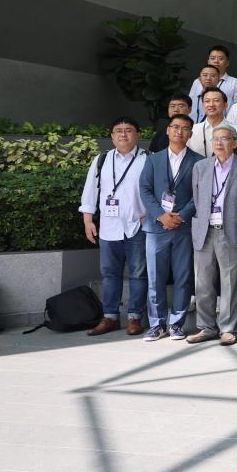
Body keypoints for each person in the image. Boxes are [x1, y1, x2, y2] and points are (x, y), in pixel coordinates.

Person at [79, 117, 148, 336]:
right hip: (109, 227)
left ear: (137, 135)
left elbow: (156, 190)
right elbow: (90, 190)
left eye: (129, 130)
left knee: (138, 274)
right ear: (112, 136)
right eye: (118, 130)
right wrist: (88, 220)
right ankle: (110, 317)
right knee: (109, 274)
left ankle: (135, 317)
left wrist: (150, 215)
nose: (123, 134)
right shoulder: (102, 159)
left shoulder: (148, 159)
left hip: (138, 226)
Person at [137, 114, 203, 341]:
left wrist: (182, 216)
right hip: (157, 227)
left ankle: (176, 323)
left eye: (184, 128)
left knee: (183, 277)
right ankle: (157, 324)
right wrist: (161, 215)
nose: (179, 132)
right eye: (175, 127)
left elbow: (200, 194)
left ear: (190, 134)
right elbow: (145, 189)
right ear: (167, 130)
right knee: (155, 277)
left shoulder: (199, 161)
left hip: (184, 228)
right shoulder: (153, 160)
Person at [186, 123, 237, 346]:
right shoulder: (200, 167)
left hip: (230, 231)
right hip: (204, 231)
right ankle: (206, 327)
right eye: (216, 139)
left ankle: (228, 328)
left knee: (230, 282)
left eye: (224, 138)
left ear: (235, 142)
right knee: (202, 282)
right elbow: (197, 198)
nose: (219, 143)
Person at [188, 87, 229, 157]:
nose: (211, 104)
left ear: (225, 105)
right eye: (207, 101)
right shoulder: (193, 130)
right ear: (203, 105)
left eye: (216, 100)